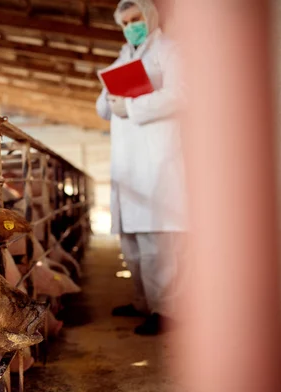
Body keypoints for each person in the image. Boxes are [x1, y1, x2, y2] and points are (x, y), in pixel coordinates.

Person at [96, 0, 186, 335]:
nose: (131, 26)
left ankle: (167, 310)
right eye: (125, 22)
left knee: (157, 246)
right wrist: (111, 98)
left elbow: (183, 93)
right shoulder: (123, 57)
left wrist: (132, 106)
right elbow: (102, 109)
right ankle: (142, 302)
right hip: (128, 163)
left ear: (149, 17)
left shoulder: (171, 51)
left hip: (157, 160)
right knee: (131, 243)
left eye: (136, 19)